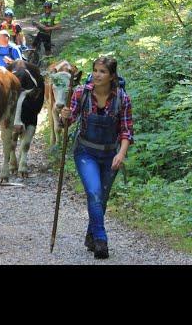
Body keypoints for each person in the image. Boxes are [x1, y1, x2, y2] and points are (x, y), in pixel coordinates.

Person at [59, 56, 134, 259]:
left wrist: (121, 153)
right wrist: (64, 116)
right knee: (93, 192)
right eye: (95, 70)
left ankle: (91, 236)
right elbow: (69, 120)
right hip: (86, 152)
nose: (97, 75)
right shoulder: (81, 93)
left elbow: (126, 131)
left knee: (102, 198)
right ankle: (101, 240)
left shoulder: (122, 98)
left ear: (112, 76)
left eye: (102, 71)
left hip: (111, 154)